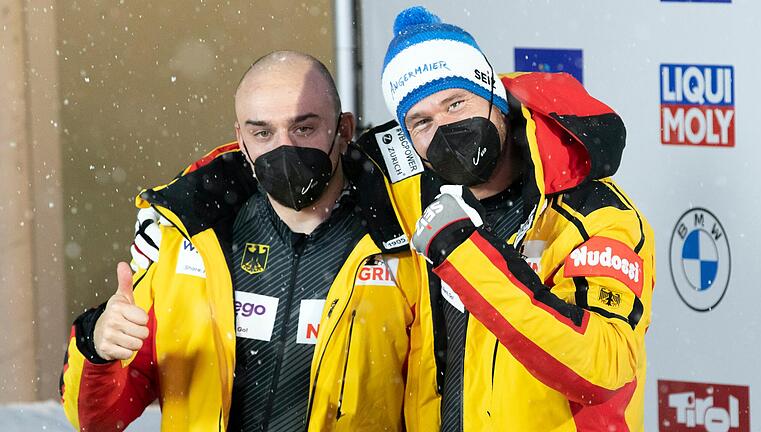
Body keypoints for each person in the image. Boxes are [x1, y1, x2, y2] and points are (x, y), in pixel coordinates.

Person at [60, 51, 419, 431]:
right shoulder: (189, 238)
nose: (284, 148)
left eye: (304, 128)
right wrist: (97, 345)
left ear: (344, 129)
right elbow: (95, 419)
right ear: (240, 139)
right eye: (263, 132)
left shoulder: (403, 241)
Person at [353, 6, 655, 431]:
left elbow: (603, 368)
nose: (444, 130)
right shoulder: (412, 202)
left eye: (456, 103)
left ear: (495, 97)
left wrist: (465, 252)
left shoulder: (596, 215)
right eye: (422, 121)